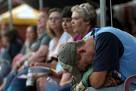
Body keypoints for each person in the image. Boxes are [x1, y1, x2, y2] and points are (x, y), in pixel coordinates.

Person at [59, 3, 136, 91]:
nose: (88, 68)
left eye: (85, 66)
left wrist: (91, 78)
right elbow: (82, 81)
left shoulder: (105, 38)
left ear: (81, 51)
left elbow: (97, 82)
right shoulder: (89, 39)